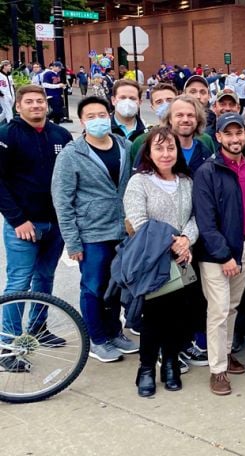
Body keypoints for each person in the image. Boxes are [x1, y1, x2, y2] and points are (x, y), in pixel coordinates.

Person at [52, 96, 138, 363]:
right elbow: (62, 200)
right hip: (91, 233)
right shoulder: (71, 154)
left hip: (121, 230)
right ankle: (97, 339)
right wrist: (73, 242)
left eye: (102, 114)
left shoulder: (125, 146)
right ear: (82, 121)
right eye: (91, 117)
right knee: (93, 288)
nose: (98, 120)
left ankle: (114, 332)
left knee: (116, 286)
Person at [0, 85, 73, 370]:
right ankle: (8, 344)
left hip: (55, 223)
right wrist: (18, 220)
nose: (35, 106)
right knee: (19, 283)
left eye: (40, 101)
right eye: (28, 101)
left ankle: (39, 327)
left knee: (45, 278)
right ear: (18, 106)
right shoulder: (7, 135)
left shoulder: (61, 135)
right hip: (23, 226)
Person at [123, 126, 198, 397]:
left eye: (170, 148)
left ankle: (170, 364)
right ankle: (145, 369)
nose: (165, 154)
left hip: (182, 261)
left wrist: (186, 240)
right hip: (152, 262)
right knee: (153, 319)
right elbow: (138, 221)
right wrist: (171, 243)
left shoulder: (186, 181)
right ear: (148, 152)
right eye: (159, 148)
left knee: (178, 318)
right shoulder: (139, 182)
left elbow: (194, 218)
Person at [192, 113, 245, 395]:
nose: (235, 139)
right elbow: (205, 222)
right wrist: (224, 255)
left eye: (239, 133)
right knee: (218, 310)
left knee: (232, 306)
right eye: (228, 134)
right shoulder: (207, 172)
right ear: (218, 137)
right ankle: (217, 369)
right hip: (217, 253)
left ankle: (227, 352)